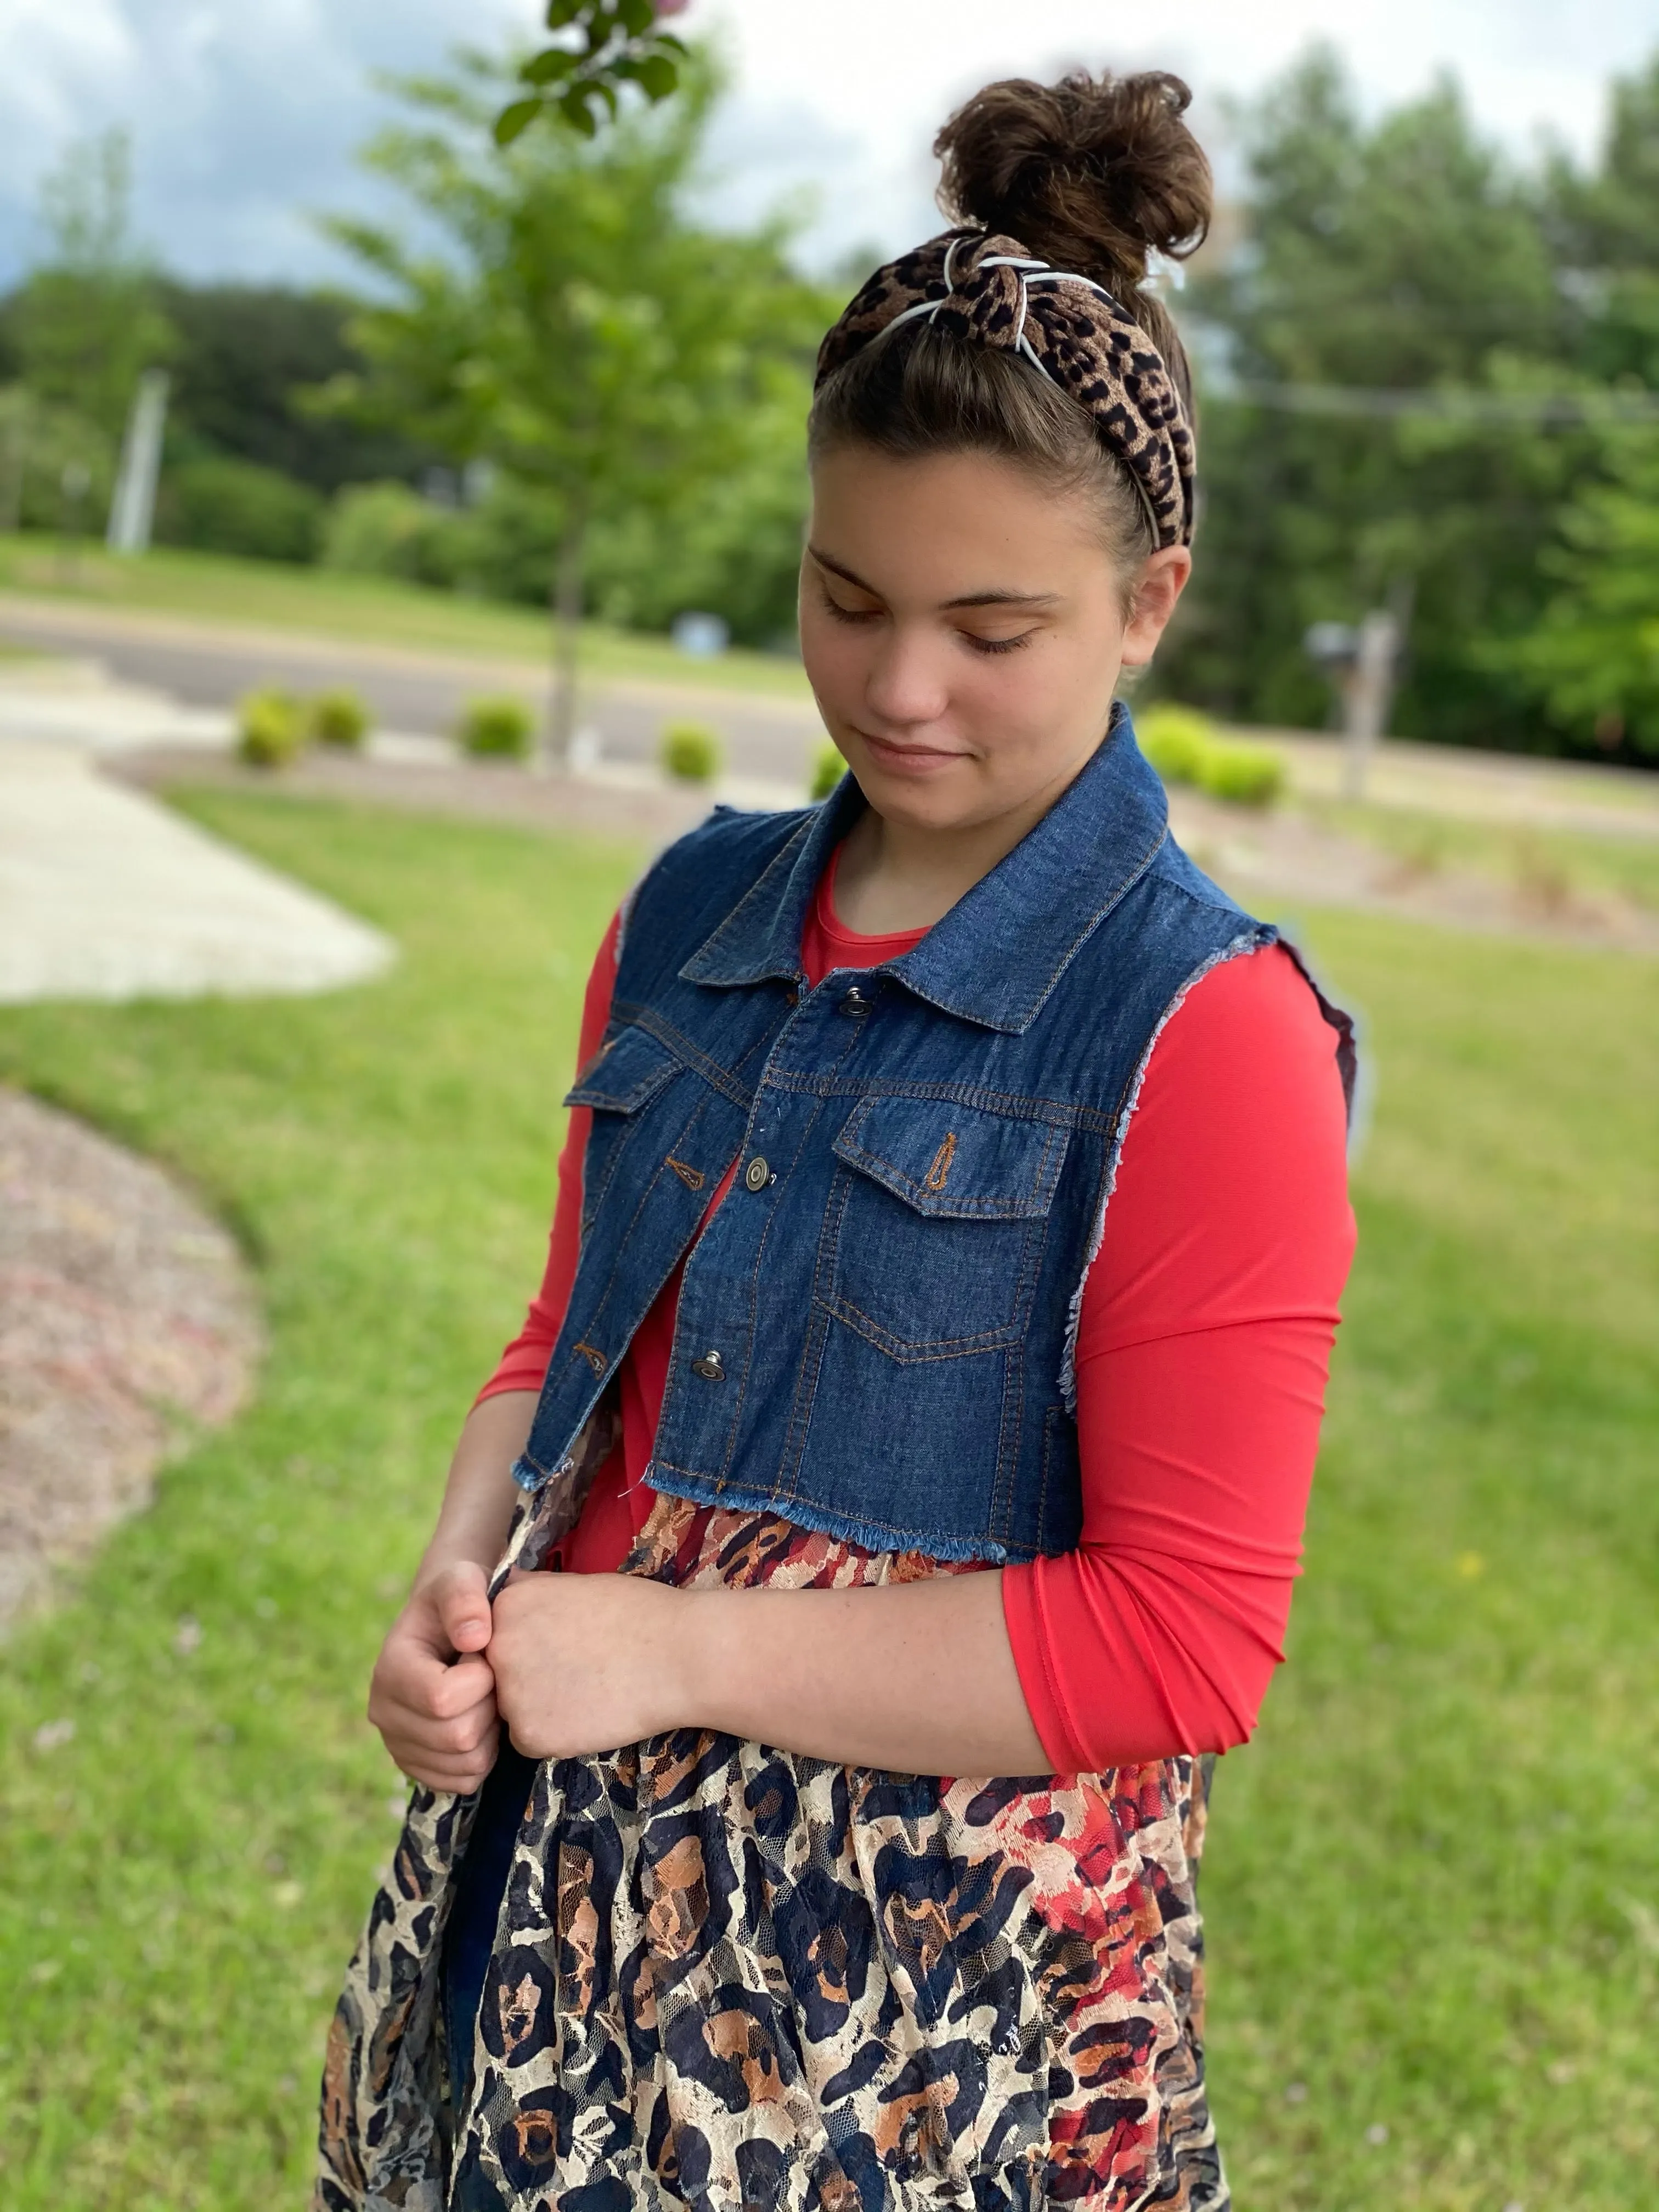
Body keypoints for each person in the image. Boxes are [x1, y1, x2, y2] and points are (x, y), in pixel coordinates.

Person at [317, 66, 1356, 2212]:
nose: (899, 690)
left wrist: (686, 1649)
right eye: (845, 595)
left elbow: (1183, 1640)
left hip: (921, 2035)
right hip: (551, 1951)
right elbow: (559, 1348)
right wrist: (465, 1575)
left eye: (994, 632)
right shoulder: (690, 915)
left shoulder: (1204, 1033)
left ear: (1149, 605)